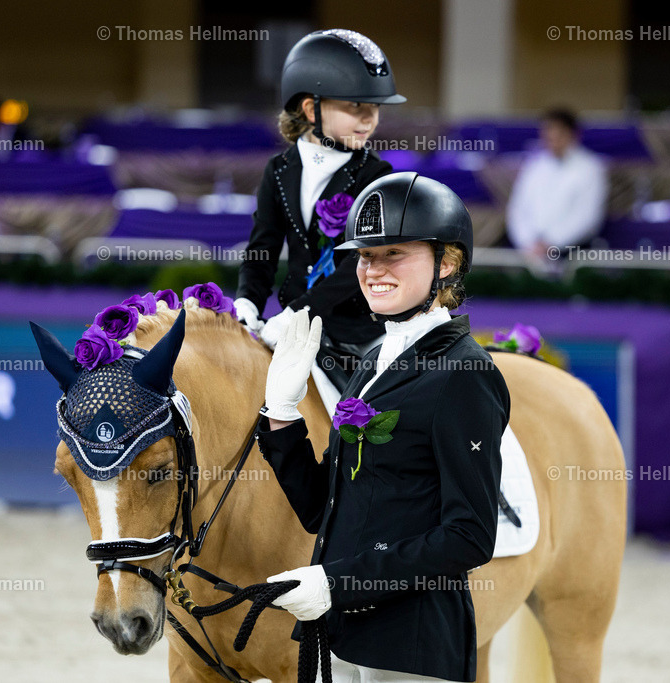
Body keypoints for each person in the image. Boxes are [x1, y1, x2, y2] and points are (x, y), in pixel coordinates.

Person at [256, 172, 510, 682]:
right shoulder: (374, 359)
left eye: (394, 253)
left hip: (407, 649)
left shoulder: (465, 375)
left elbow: (469, 537)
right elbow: (321, 509)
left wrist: (337, 584)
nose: (373, 270)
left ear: (449, 262)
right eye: (366, 256)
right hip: (341, 638)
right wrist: (282, 414)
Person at [234, 29, 405, 357]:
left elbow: (363, 261)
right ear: (312, 110)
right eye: (356, 106)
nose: (370, 119)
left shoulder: (375, 175)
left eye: (376, 107)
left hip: (358, 332)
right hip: (289, 326)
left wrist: (298, 313)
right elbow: (262, 248)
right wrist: (247, 302)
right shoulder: (279, 170)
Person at [505, 108, 609, 259]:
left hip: (571, 253)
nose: (553, 138)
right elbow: (517, 210)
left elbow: (587, 217)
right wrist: (527, 243)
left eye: (559, 134)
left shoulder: (590, 168)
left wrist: (551, 243)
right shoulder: (534, 166)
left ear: (573, 134)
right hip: (529, 251)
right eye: (548, 133)